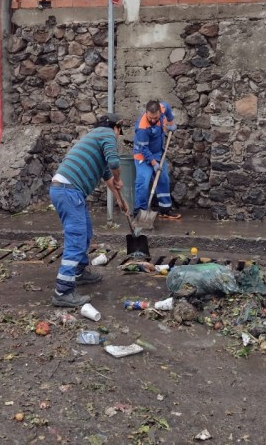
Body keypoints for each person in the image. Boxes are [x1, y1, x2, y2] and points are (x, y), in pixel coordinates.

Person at [50, 114, 128, 307]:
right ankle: (63, 291)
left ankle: (79, 272)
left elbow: (108, 176)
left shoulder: (95, 142)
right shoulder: (106, 133)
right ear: (116, 127)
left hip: (67, 191)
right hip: (68, 190)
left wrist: (121, 200)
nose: (118, 136)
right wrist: (119, 178)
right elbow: (115, 163)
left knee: (86, 232)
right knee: (76, 239)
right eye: (119, 132)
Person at [132, 100, 181, 219]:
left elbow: (168, 108)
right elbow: (143, 149)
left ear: (160, 112)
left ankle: (165, 209)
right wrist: (153, 163)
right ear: (146, 113)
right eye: (150, 117)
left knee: (163, 179)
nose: (153, 120)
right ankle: (140, 212)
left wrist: (170, 122)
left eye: (156, 117)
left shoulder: (163, 108)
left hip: (158, 153)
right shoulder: (142, 127)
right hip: (142, 156)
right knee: (143, 182)